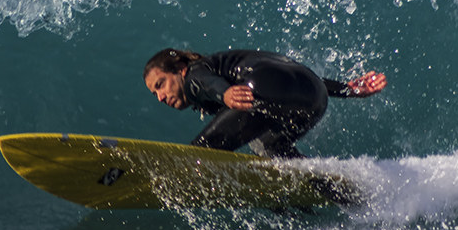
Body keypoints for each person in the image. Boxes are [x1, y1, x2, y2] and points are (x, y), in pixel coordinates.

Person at [143, 48, 387, 159]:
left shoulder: (195, 74)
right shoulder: (222, 67)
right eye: (154, 94)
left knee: (199, 154)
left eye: (160, 85)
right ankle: (335, 189)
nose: (161, 97)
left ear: (180, 70)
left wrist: (225, 93)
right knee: (272, 150)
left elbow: (203, 82)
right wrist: (347, 89)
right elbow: (291, 82)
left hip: (264, 91)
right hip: (313, 98)